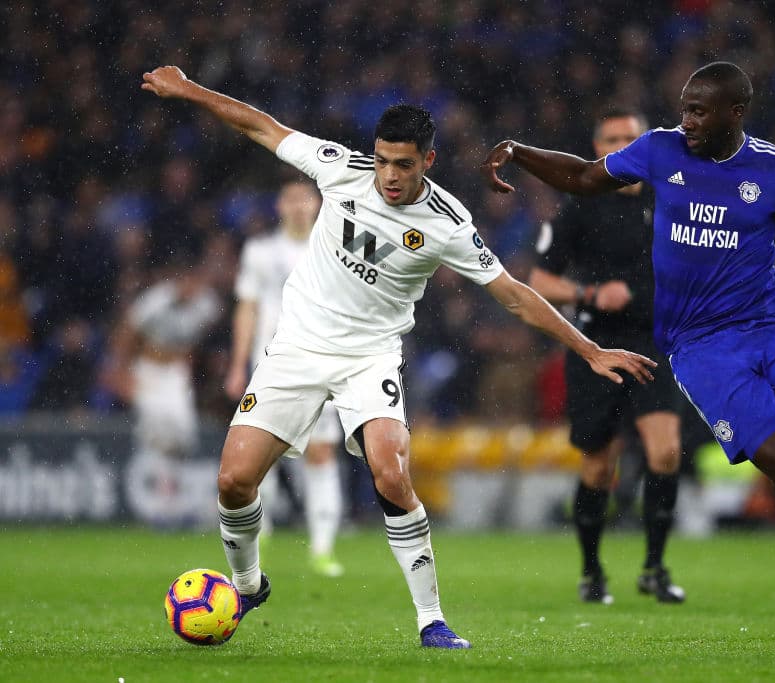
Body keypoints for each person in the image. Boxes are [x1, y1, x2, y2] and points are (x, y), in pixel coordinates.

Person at [141, 65, 656, 649]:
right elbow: (261, 127)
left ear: (427, 161)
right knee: (234, 482)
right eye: (382, 160)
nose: (388, 175)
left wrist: (588, 350)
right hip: (298, 347)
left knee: (391, 471)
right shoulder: (341, 169)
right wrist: (188, 89)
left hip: (370, 357)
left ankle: (431, 619)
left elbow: (513, 294)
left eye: (403, 164)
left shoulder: (448, 223)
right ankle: (248, 583)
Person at [481, 62, 775, 651]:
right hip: (700, 350)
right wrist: (520, 150)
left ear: (736, 113)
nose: (687, 122)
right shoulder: (659, 150)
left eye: (700, 112)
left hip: (774, 331)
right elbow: (582, 176)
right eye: (684, 108)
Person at [528, 107, 686, 605]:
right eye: (611, 137)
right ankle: (592, 570)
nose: (621, 145)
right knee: (598, 466)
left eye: (630, 138)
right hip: (598, 347)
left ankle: (655, 568)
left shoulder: (672, 202)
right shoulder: (578, 207)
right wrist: (592, 295)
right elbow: (538, 281)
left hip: (656, 342)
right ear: (597, 149)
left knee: (664, 451)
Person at [225, 180, 345, 578]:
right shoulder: (260, 252)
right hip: (271, 361)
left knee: (321, 452)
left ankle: (323, 549)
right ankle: (262, 532)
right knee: (261, 455)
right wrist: (237, 364)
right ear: (280, 204)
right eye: (291, 199)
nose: (298, 206)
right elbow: (247, 308)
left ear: (316, 204)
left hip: (321, 360)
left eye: (304, 199)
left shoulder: (334, 246)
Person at [102, 262, 221, 527]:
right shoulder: (156, 300)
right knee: (156, 435)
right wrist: (121, 371)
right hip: (148, 370)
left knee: (182, 434)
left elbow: (204, 339)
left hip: (175, 374)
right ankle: (160, 506)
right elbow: (127, 331)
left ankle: (171, 501)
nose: (190, 288)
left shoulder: (206, 304)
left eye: (195, 281)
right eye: (185, 281)